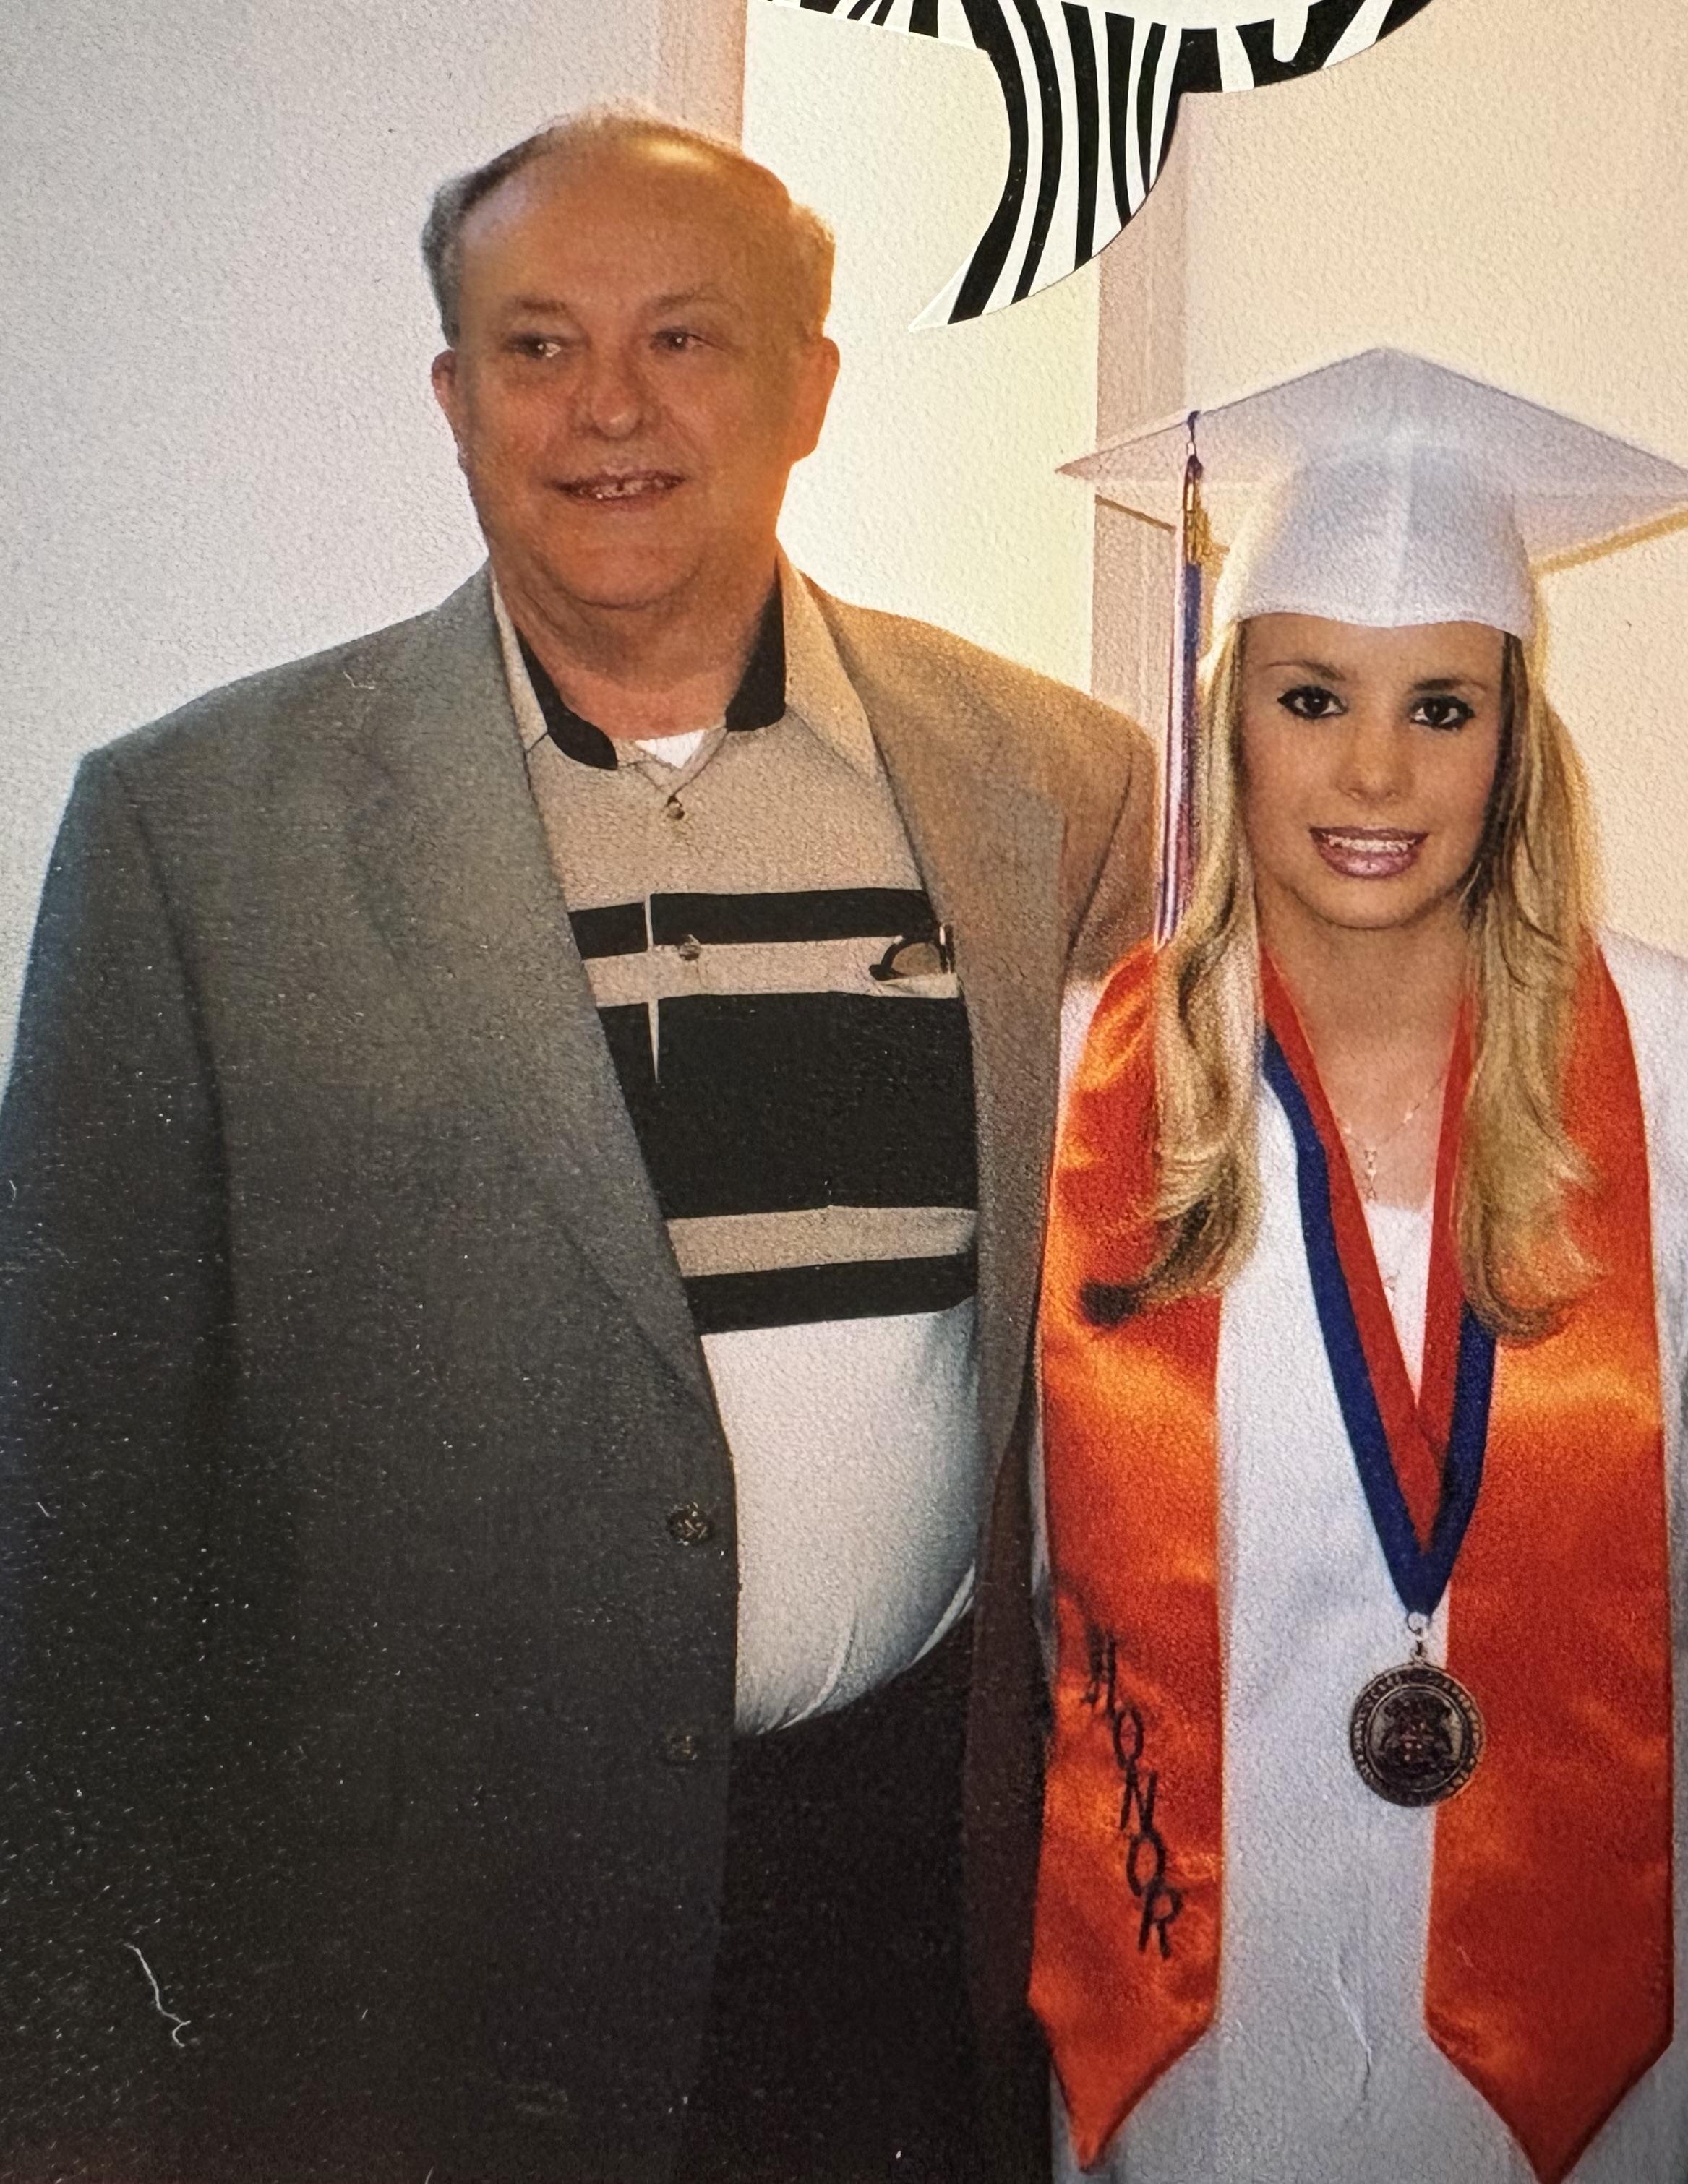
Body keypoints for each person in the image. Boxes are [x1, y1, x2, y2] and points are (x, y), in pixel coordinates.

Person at [0, 109, 1150, 2183]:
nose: (609, 407)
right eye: (538, 346)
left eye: (684, 338)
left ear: (808, 385)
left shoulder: (1056, 787)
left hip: (898, 1934)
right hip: (402, 1983)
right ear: (454, 398)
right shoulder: (197, 837)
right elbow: (73, 1535)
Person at [1026, 349, 1688, 2183]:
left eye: (1442, 708)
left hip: (1608, 2070)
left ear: (1514, 741)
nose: (1374, 769)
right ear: (1231, 721)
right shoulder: (1084, 1095)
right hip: (1201, 2049)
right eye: (1313, 696)